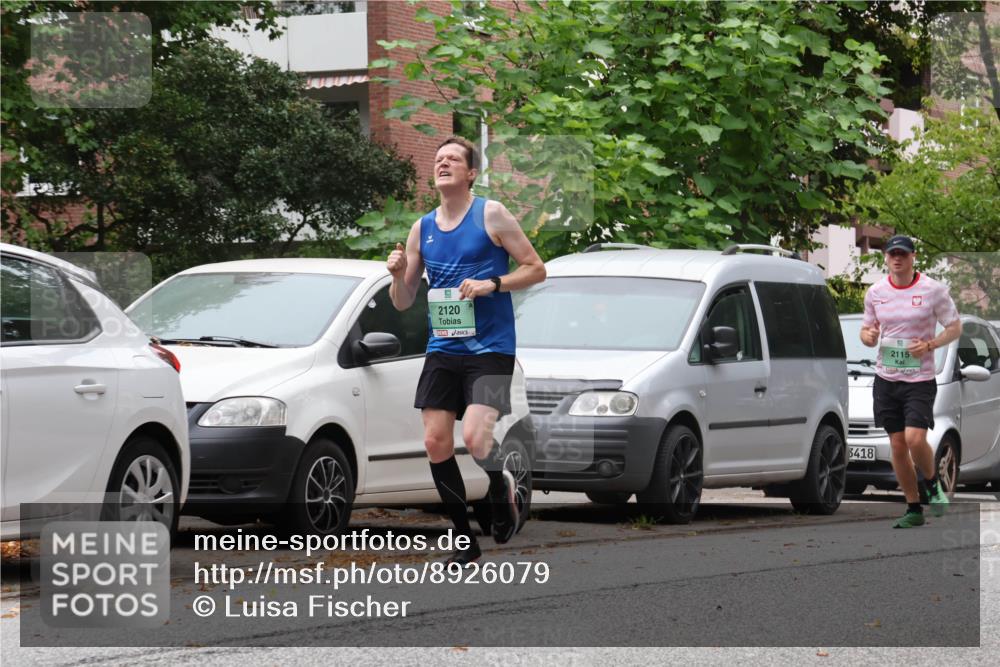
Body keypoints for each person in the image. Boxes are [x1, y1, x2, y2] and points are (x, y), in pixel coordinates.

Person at [387, 136, 546, 564]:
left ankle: (499, 486)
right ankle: (463, 540)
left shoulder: (491, 214)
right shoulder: (422, 228)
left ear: (470, 172)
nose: (443, 164)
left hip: (492, 349)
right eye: (438, 159)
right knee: (436, 442)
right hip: (443, 347)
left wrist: (492, 284)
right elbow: (403, 300)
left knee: (476, 439)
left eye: (453, 159)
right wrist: (398, 274)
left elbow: (536, 269)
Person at [860, 235, 962, 528]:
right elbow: (868, 331)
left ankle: (931, 484)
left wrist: (930, 345)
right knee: (896, 445)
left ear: (913, 257)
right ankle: (913, 508)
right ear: (886, 258)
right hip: (886, 378)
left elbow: (955, 328)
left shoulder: (933, 290)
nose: (897, 258)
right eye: (892, 253)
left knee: (915, 438)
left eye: (903, 253)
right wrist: (867, 337)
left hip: (919, 379)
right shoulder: (876, 292)